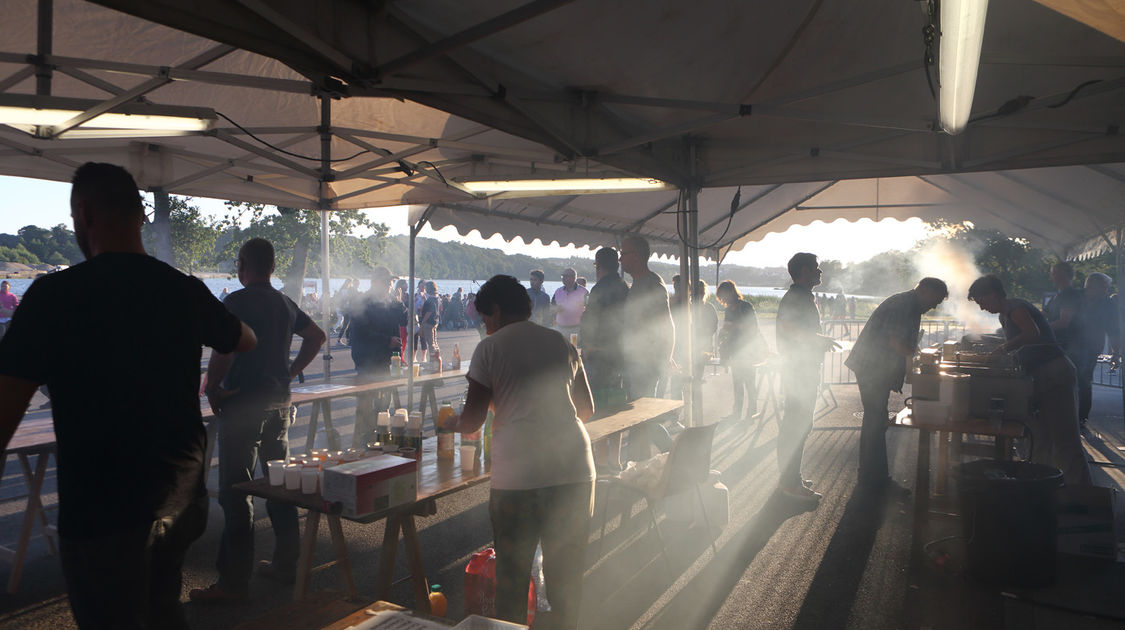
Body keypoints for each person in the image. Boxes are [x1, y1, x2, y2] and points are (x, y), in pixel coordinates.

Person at [0, 162, 256, 629]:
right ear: (141, 216)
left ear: (82, 214)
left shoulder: (52, 297)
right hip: (180, 496)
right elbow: (245, 340)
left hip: (103, 510)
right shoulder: (185, 290)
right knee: (162, 609)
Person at [441, 275, 595, 630]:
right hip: (574, 469)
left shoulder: (489, 348)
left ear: (495, 310)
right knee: (566, 578)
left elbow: (472, 421)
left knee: (512, 577)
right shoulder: (560, 343)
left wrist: (450, 423)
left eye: (484, 318)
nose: (485, 326)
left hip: (519, 477)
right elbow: (586, 409)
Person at [191, 238, 326, 603]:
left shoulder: (235, 301)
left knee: (237, 493)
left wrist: (214, 387)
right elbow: (317, 336)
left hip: (244, 405)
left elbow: (224, 348)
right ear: (272, 267)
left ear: (243, 265)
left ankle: (233, 584)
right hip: (279, 404)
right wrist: (291, 370)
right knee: (279, 484)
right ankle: (287, 564)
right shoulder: (284, 302)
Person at [968, 275, 1091, 485]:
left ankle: (1081, 493)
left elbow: (1032, 333)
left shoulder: (1016, 308)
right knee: (1039, 436)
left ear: (992, 294)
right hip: (1038, 376)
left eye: (982, 302)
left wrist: (1002, 349)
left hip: (1055, 371)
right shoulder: (1004, 316)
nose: (981, 308)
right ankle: (1039, 486)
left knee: (1065, 438)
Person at [845, 278, 948, 488]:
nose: (934, 307)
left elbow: (903, 343)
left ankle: (874, 476)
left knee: (877, 418)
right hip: (871, 366)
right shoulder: (902, 305)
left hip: (875, 367)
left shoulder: (911, 306)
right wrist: (920, 356)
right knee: (875, 419)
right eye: (934, 300)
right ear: (924, 290)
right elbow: (896, 342)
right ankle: (871, 478)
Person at [776, 253, 839, 503]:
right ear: (803, 271)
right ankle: (790, 483)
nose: (820, 272)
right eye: (816, 268)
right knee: (797, 425)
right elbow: (788, 329)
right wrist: (819, 339)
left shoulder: (801, 297)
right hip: (798, 369)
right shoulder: (796, 298)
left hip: (801, 368)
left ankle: (791, 477)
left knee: (800, 424)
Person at [349, 267, 408, 447]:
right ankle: (360, 446)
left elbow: (404, 321)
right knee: (365, 410)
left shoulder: (390, 303)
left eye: (391, 283)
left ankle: (379, 442)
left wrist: (399, 303)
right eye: (386, 282)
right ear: (375, 283)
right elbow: (359, 334)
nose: (390, 286)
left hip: (386, 363)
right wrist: (385, 341)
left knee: (383, 408)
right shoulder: (363, 303)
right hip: (367, 362)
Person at [620, 235, 674, 400]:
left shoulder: (651, 284)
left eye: (623, 253)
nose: (620, 259)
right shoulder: (638, 283)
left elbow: (666, 323)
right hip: (636, 361)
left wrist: (666, 358)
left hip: (646, 363)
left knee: (643, 413)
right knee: (637, 413)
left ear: (636, 256)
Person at [579, 247, 630, 394]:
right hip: (619, 349)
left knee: (598, 394)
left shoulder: (600, 288)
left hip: (599, 351)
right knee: (615, 393)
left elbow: (590, 319)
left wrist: (588, 345)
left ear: (598, 266)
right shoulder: (625, 286)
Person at [1075, 273, 1120, 426]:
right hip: (1069, 344)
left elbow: (1113, 330)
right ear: (1091, 286)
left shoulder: (1108, 304)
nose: (1106, 291)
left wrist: (1116, 353)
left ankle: (1081, 417)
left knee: (1084, 380)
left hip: (1090, 347)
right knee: (1077, 380)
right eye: (1104, 288)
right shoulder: (1074, 297)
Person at [716, 281, 763, 422]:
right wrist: (722, 335)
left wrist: (733, 327)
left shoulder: (746, 306)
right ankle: (736, 413)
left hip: (748, 351)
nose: (723, 300)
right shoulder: (729, 310)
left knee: (749, 383)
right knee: (737, 384)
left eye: (724, 297)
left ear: (731, 292)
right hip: (735, 352)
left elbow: (753, 328)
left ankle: (752, 413)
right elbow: (727, 327)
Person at [552, 267, 588, 342]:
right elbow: (551, 307)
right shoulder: (558, 291)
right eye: (562, 276)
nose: (563, 278)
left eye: (566, 276)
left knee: (574, 350)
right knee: (561, 350)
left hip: (575, 329)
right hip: (560, 329)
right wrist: (555, 309)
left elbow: (590, 309)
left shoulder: (584, 291)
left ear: (573, 277)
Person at [418, 280, 440, 362]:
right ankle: (437, 358)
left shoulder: (430, 299)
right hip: (435, 321)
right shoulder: (436, 298)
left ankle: (433, 360)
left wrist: (423, 323)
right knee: (435, 342)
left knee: (431, 343)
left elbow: (429, 312)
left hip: (428, 323)